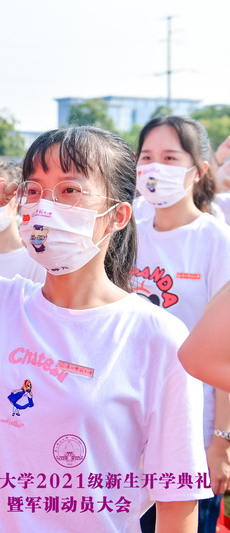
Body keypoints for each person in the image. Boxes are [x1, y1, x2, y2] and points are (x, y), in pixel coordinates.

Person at [0, 126, 211, 532]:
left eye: (69, 190)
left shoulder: (158, 336)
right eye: (33, 190)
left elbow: (176, 500)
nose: (45, 206)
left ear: (117, 216)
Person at [131, 116, 230, 533]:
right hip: (129, 425)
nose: (155, 168)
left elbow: (225, 350)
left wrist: (221, 441)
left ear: (199, 170)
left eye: (170, 158)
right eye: (147, 157)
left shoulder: (217, 241)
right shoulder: (126, 237)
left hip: (193, 430)